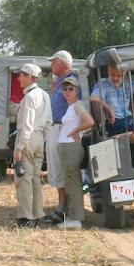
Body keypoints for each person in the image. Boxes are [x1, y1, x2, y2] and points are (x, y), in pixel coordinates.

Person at [50, 74, 95, 229]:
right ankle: (72, 216)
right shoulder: (71, 106)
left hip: (71, 149)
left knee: (73, 184)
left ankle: (76, 219)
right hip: (66, 149)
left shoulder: (77, 105)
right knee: (69, 183)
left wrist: (76, 131)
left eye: (71, 88)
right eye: (65, 88)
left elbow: (89, 122)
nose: (68, 91)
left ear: (77, 90)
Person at [12, 63, 51, 228]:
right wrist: (42, 140)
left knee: (23, 178)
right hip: (39, 138)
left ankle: (25, 218)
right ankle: (37, 214)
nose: (18, 77)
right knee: (35, 178)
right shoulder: (45, 95)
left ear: (29, 77)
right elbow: (49, 123)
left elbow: (27, 124)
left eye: (21, 74)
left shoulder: (29, 97)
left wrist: (19, 148)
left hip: (27, 137)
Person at [44, 49, 77, 222]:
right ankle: (61, 206)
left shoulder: (70, 81)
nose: (51, 65)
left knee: (62, 169)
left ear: (63, 63)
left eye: (54, 62)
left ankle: (64, 208)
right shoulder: (61, 82)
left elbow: (75, 105)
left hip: (63, 129)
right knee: (57, 168)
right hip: (56, 128)